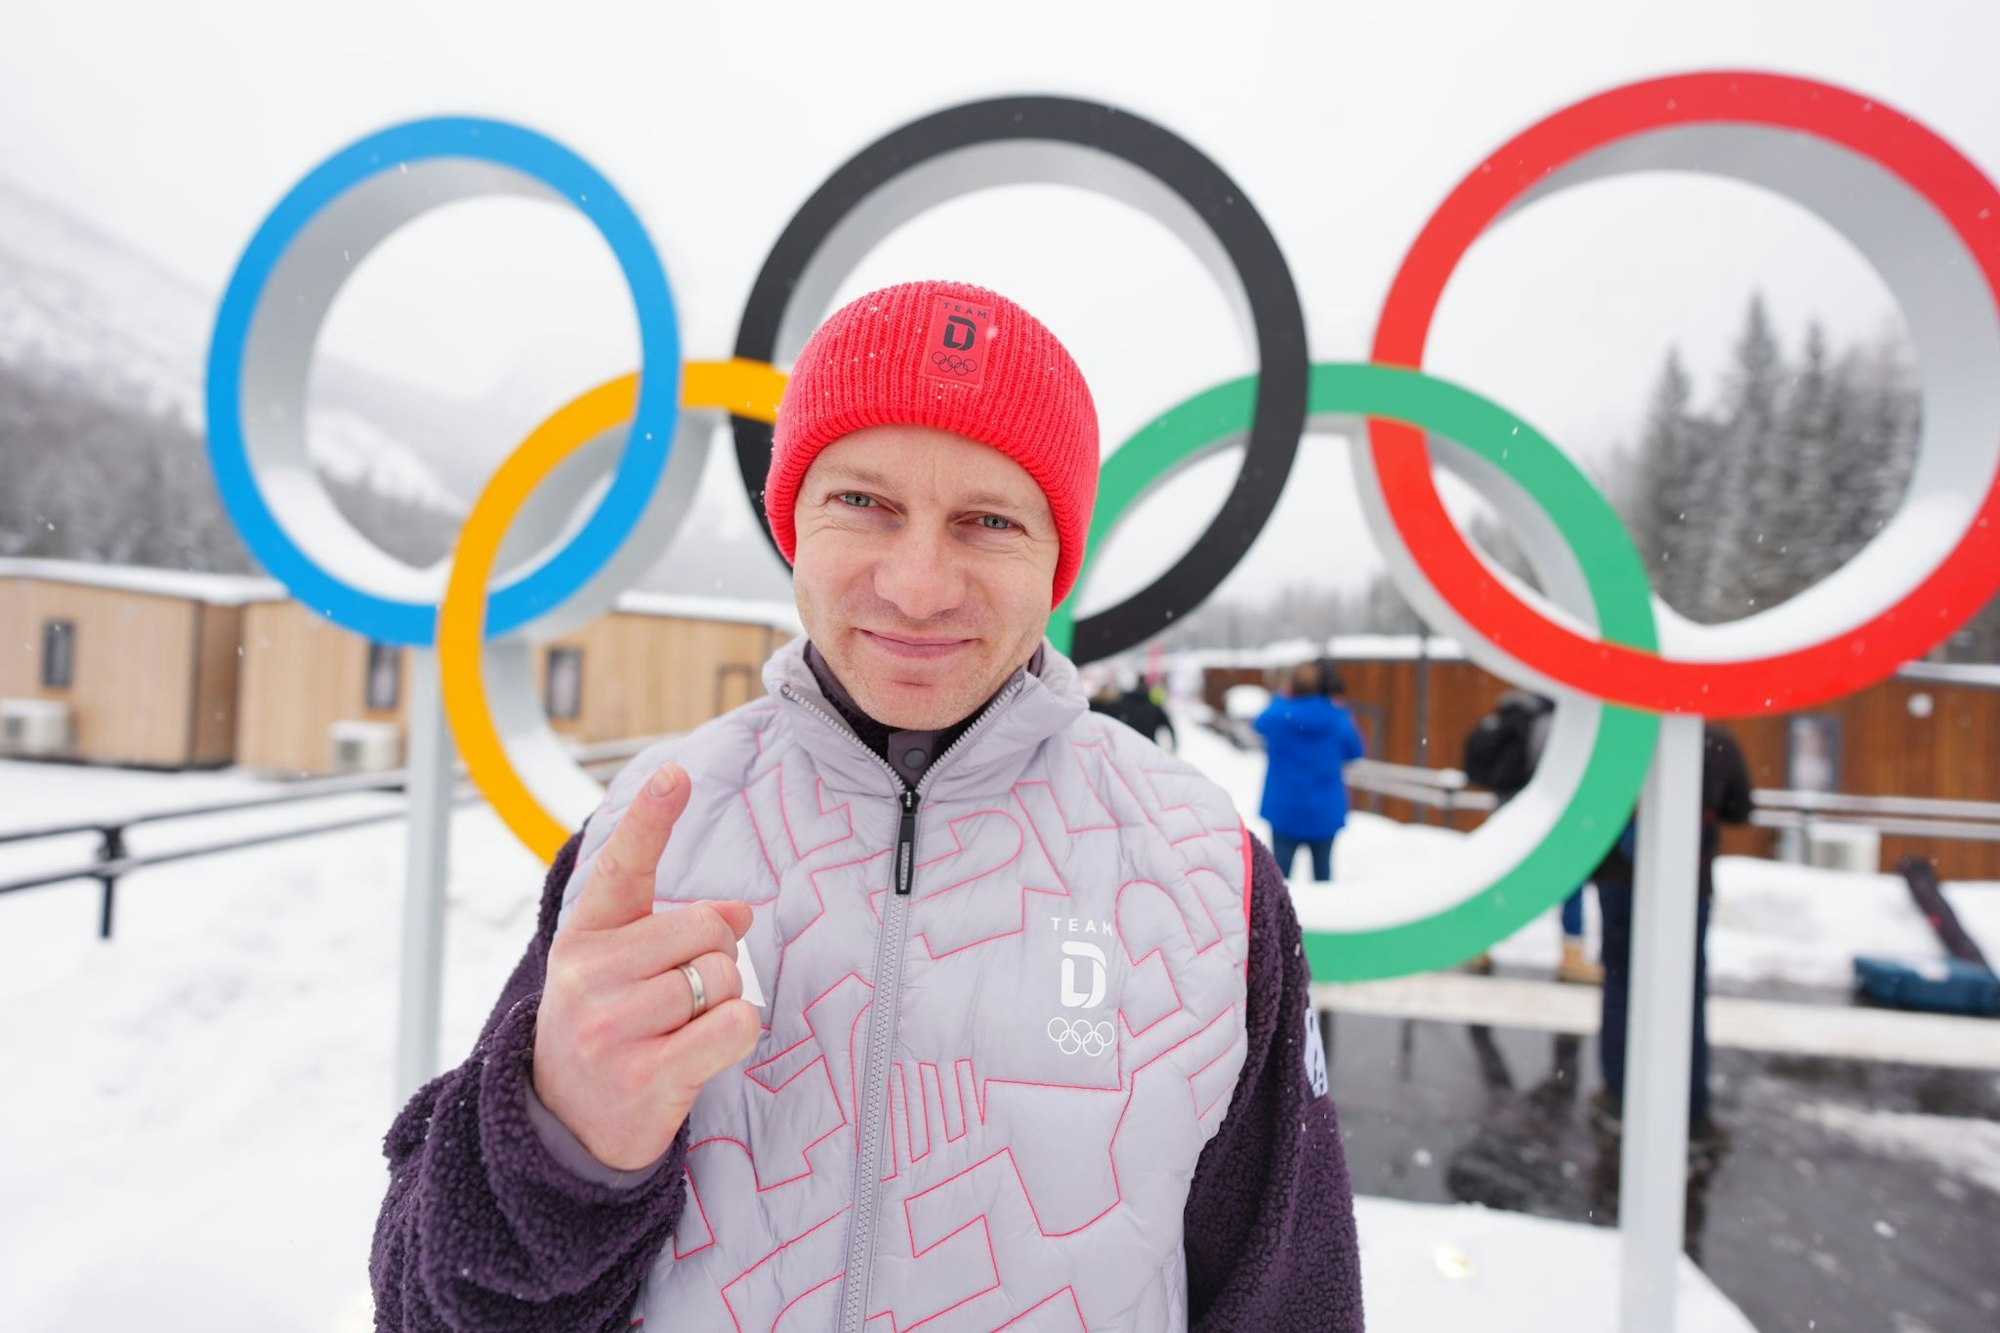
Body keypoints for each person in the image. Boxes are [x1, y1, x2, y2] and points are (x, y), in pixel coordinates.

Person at [369, 280, 1362, 1332]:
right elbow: (427, 1306)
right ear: (792, 523)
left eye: (988, 520)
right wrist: (556, 1145)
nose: (918, 584)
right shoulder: (650, 838)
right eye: (863, 503)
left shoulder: (1207, 875)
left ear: (1057, 558)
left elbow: (1296, 1304)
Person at [1591, 725, 1753, 1154]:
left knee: (1620, 984)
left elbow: (1593, 804)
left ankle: (1619, 1095)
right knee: (1687, 993)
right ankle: (1691, 1108)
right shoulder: (1713, 741)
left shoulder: (1620, 736)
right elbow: (1740, 809)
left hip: (1619, 877)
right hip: (1688, 881)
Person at [1461, 691, 1600, 984]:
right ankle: (1572, 954)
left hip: (1506, 813)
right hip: (1542, 815)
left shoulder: (1505, 714)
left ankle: (1478, 945)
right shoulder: (1551, 721)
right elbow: (1552, 773)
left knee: (1500, 881)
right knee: (1570, 881)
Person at [1254, 659, 1366, 883]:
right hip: (1325, 810)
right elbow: (1355, 751)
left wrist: (1281, 697)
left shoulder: (1279, 714)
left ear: (1291, 685)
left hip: (1285, 808)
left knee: (1280, 880)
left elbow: (1258, 724)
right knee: (1323, 876)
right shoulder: (1337, 717)